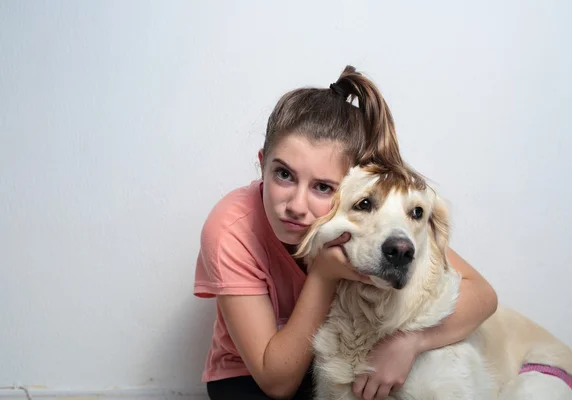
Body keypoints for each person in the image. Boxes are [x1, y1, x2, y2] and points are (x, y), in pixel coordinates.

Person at [193, 66, 498, 400]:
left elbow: (482, 294)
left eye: (323, 187)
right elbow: (276, 382)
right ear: (263, 163)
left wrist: (410, 342)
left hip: (337, 356)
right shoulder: (231, 229)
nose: (296, 205)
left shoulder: (366, 218)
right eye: (283, 174)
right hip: (255, 374)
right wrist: (323, 274)